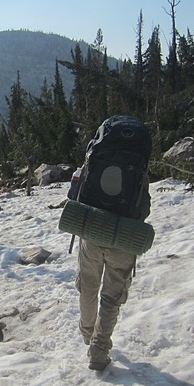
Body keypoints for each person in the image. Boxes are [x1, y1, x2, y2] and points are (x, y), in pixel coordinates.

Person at [71, 118, 152, 371]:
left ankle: (87, 333)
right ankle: (99, 349)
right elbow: (144, 207)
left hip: (92, 231)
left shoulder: (97, 155)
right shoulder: (138, 164)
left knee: (88, 286)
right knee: (111, 297)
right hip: (124, 237)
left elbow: (75, 194)